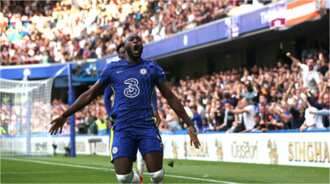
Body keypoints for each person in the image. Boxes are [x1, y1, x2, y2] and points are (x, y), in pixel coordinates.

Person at [49, 34, 201, 184]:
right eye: (132, 40)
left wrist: (189, 124)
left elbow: (170, 97)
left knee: (157, 175)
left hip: (146, 125)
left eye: (139, 40)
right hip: (122, 127)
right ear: (126, 46)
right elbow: (90, 94)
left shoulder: (151, 67)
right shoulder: (112, 69)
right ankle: (136, 179)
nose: (136, 42)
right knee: (123, 178)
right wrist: (65, 115)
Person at [104, 42, 161, 182]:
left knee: (154, 169)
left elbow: (152, 91)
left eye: (125, 51)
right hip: (122, 122)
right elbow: (106, 97)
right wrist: (110, 114)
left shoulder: (144, 69)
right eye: (121, 52)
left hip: (143, 120)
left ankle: (147, 174)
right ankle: (135, 178)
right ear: (118, 55)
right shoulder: (113, 72)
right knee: (123, 177)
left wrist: (155, 109)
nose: (123, 54)